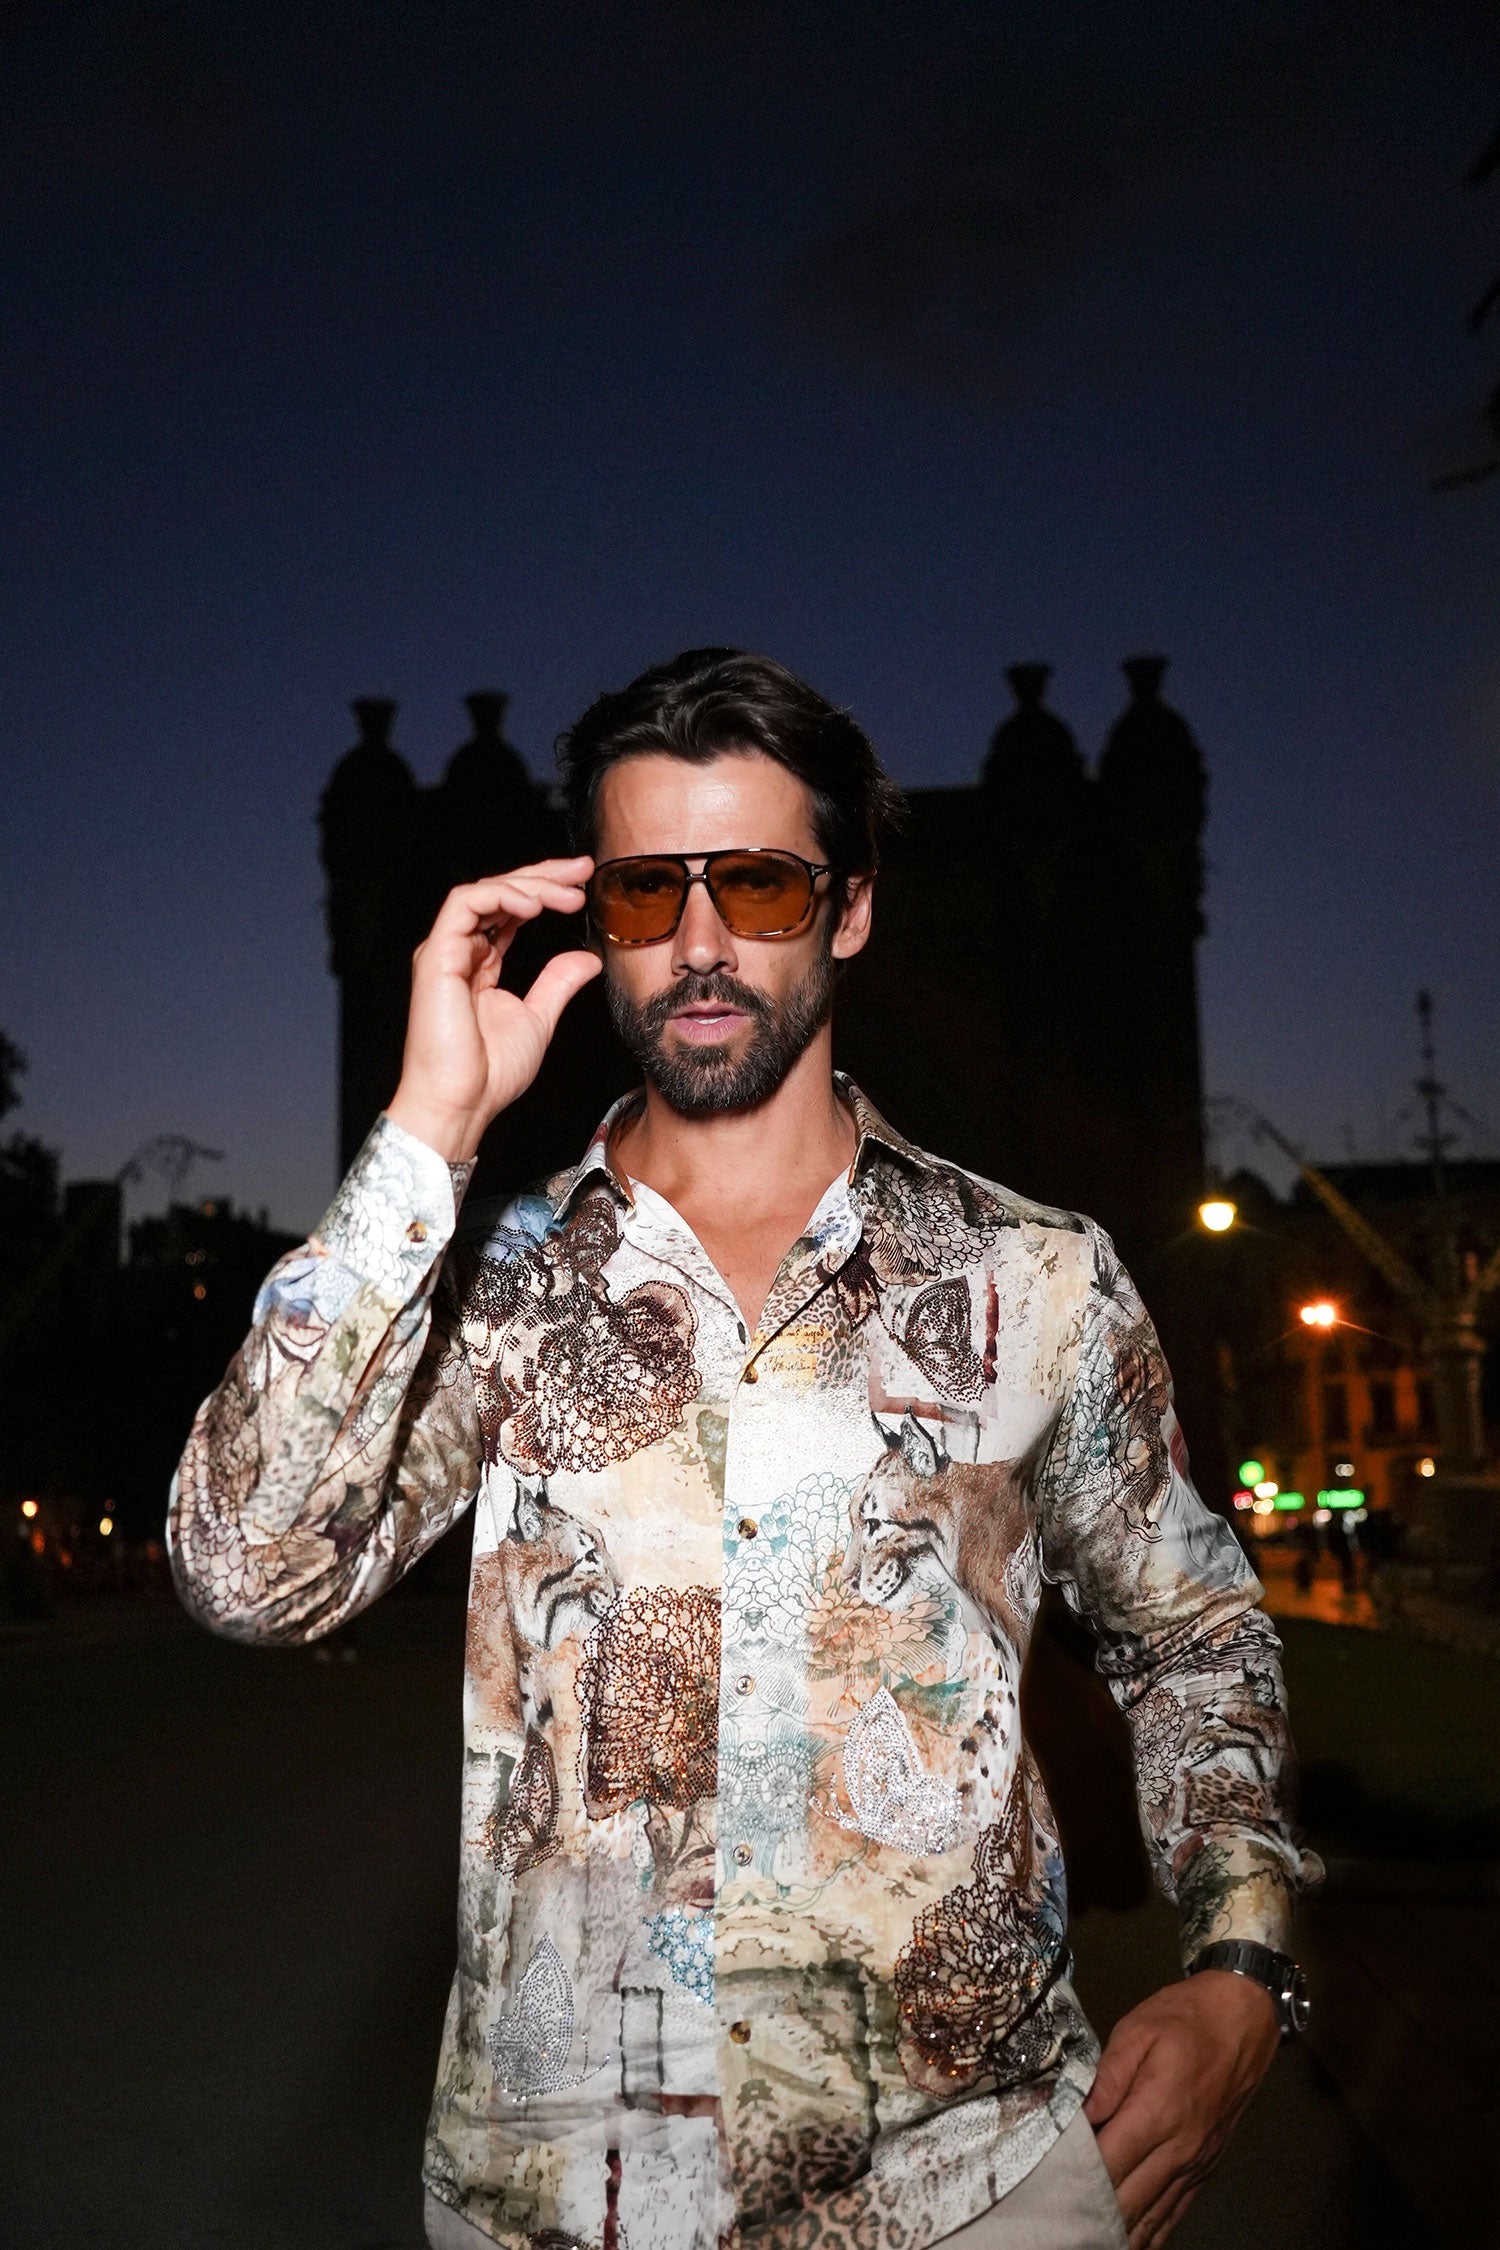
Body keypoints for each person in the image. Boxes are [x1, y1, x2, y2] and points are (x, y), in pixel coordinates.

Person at [169, 649, 1316, 2250]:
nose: (700, 943)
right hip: (563, 2206)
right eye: (648, 891)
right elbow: (243, 1566)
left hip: (979, 2189)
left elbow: (1193, 1634)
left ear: (849, 909)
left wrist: (1243, 1965)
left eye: (759, 883)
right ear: (599, 922)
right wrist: (426, 1133)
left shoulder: (1036, 1276)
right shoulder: (499, 1288)